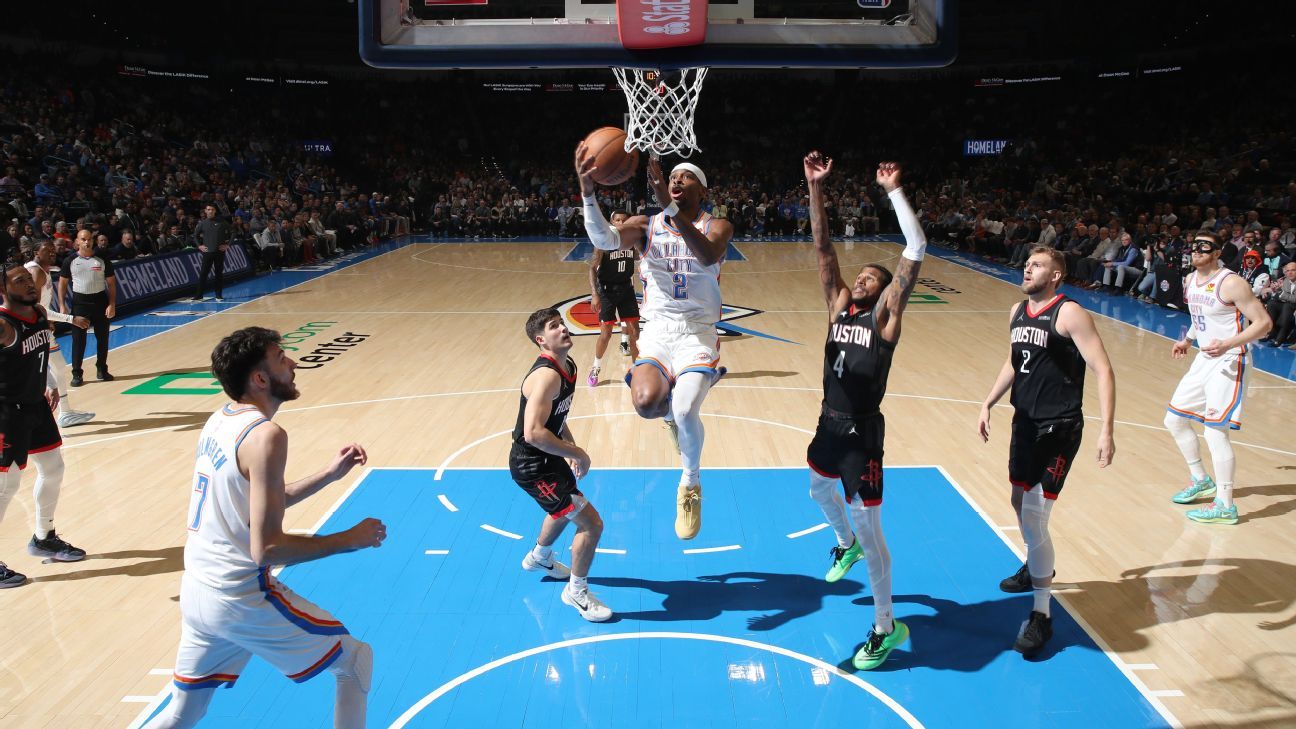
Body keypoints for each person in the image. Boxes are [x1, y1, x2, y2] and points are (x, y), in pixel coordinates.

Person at [145, 327, 384, 728]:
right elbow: (267, 549)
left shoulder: (220, 419)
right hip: (238, 598)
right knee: (355, 660)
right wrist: (349, 539)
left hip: (198, 593)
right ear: (259, 378)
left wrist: (328, 475)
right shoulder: (267, 435)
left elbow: (260, 502)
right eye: (280, 358)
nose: (292, 364)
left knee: (183, 714)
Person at [802, 153, 927, 670]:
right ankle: (843, 544)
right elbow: (822, 245)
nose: (861, 278)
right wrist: (814, 188)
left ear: (882, 288)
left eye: (871, 276)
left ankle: (885, 626)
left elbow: (915, 249)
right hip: (828, 422)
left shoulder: (884, 315)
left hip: (861, 435)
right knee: (815, 487)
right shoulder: (838, 304)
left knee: (874, 535)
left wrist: (894, 192)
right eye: (859, 276)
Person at [577, 146, 731, 540]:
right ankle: (671, 412)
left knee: (683, 409)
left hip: (697, 329)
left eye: (686, 177)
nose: (677, 179)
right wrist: (587, 192)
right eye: (673, 176)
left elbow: (708, 255)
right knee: (648, 404)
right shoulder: (646, 225)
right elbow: (604, 239)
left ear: (702, 191)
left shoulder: (718, 226)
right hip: (660, 329)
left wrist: (671, 208)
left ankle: (690, 484)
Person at [978, 245, 1117, 657]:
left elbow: (1103, 368)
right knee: (1018, 501)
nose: (1027, 268)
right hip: (1025, 424)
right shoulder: (1017, 312)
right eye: (1027, 263)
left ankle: (1042, 614)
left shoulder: (1069, 312)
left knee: (1036, 514)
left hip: (1059, 428)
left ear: (1056, 275)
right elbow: (1013, 360)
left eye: (1036, 265)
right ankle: (1036, 564)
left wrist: (1107, 430)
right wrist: (988, 401)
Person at [1164, 231, 1271, 524]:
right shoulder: (1189, 281)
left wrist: (1228, 343)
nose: (1196, 250)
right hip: (1204, 358)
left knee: (1214, 431)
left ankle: (1225, 504)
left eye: (1204, 246)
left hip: (1231, 360)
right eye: (1194, 245)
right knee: (1173, 419)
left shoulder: (1232, 282)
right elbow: (1202, 318)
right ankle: (1201, 479)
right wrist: (1187, 340)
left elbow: (1264, 323)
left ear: (1217, 252)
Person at [511, 308, 612, 622]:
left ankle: (540, 556)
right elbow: (534, 432)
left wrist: (567, 448)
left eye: (562, 323)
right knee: (591, 524)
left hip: (548, 457)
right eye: (555, 327)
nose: (563, 329)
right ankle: (576, 592)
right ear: (541, 340)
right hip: (533, 465)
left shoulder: (567, 365)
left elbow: (557, 417)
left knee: (563, 509)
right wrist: (578, 452)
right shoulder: (546, 376)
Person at [0, 262, 87, 589]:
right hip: (8, 411)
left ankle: (43, 536)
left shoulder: (37, 311)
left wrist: (49, 382)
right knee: (6, 486)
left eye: (29, 276)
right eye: (19, 280)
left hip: (36, 404)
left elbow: (41, 354)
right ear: (3, 289)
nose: (30, 282)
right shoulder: (4, 325)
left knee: (53, 468)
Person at [23, 243, 95, 426]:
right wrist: (71, 319)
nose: (52, 252)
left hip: (39, 326)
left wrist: (47, 320)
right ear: (35, 252)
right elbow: (35, 308)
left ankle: (64, 411)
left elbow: (41, 309)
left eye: (53, 249)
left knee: (56, 366)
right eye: (46, 250)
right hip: (32, 329)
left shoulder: (42, 270)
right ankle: (59, 411)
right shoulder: (35, 271)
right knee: (46, 369)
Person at [587, 211, 640, 387]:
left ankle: (636, 370)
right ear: (612, 222)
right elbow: (592, 268)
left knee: (635, 333)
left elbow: (644, 257)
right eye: (617, 220)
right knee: (606, 334)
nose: (620, 223)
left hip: (626, 289)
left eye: (624, 220)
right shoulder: (604, 242)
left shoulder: (632, 241)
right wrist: (595, 294)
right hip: (607, 291)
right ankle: (596, 367)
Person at [57, 229, 117, 386]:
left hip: (100, 302)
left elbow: (111, 284)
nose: (87, 242)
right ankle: (77, 373)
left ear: (93, 240)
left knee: (103, 338)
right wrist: (62, 305)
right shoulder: (69, 261)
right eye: (83, 239)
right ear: (77, 241)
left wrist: (111, 304)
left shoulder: (102, 259)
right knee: (78, 340)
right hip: (80, 304)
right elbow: (62, 284)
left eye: (89, 239)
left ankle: (102, 369)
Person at [192, 204, 231, 302]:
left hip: (219, 252)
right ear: (205, 211)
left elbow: (233, 232)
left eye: (212, 209)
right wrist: (199, 246)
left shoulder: (221, 221)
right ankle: (199, 295)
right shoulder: (202, 223)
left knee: (218, 274)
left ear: (214, 211)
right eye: (208, 209)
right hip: (207, 252)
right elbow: (195, 235)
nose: (210, 211)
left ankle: (218, 295)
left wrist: (228, 245)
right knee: (203, 273)